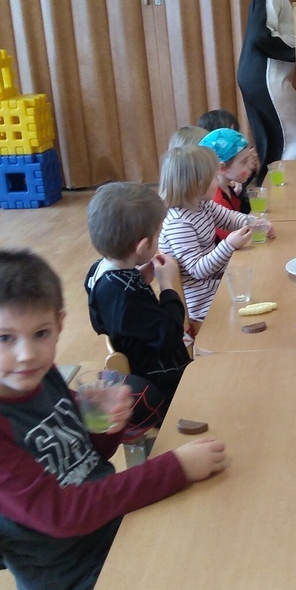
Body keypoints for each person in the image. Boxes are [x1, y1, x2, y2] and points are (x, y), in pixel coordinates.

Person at [0, 249, 228, 590]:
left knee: (222, 533)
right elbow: (62, 514)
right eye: (5, 338)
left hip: (115, 529)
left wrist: (105, 428)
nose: (27, 354)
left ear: (59, 324)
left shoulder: (40, 376)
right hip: (74, 585)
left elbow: (86, 462)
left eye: (41, 334)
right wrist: (173, 468)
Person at [84, 182, 191, 428]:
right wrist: (167, 285)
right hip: (163, 385)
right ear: (142, 246)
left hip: (143, 366)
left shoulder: (98, 271)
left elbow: (102, 319)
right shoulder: (126, 295)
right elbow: (170, 334)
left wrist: (139, 278)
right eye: (158, 235)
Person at [158, 143, 273, 325]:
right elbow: (197, 269)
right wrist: (229, 245)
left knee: (268, 281)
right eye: (214, 178)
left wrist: (255, 222)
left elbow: (230, 218)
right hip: (203, 302)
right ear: (199, 185)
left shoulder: (202, 204)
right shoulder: (178, 223)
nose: (218, 182)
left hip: (217, 284)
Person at [236, 0, 296, 181]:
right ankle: (280, 194)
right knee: (291, 140)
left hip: (262, 78)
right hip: (265, 79)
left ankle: (272, 193)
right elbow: (260, 35)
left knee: (276, 141)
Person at [200, 127, 257, 238]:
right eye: (244, 162)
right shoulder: (217, 200)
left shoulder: (227, 187)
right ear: (222, 168)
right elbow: (229, 238)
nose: (249, 166)